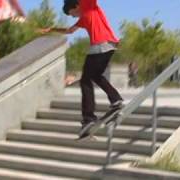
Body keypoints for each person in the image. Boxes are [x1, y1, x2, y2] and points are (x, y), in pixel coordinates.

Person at [40, 0, 123, 138]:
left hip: (100, 46)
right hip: (109, 46)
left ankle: (88, 118)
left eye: (72, 13)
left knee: (85, 80)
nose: (73, 17)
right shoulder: (83, 19)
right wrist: (51, 29)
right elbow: (69, 31)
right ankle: (116, 100)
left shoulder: (88, 6)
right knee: (96, 76)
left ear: (76, 5)